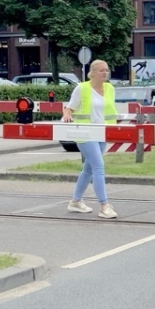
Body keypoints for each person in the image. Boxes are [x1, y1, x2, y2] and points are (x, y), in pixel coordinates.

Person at [61, 59, 118, 219]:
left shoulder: (110, 88)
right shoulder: (82, 88)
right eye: (101, 70)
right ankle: (104, 206)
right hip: (85, 133)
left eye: (106, 70)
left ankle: (75, 202)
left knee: (88, 169)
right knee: (98, 166)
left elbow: (109, 111)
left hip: (102, 132)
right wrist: (67, 115)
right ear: (92, 73)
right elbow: (69, 108)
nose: (105, 73)